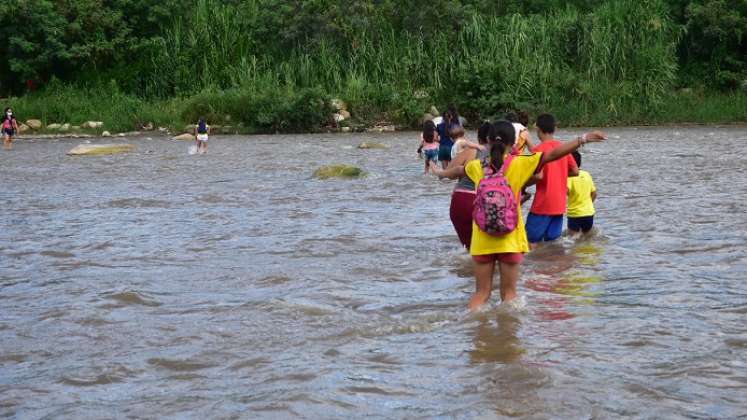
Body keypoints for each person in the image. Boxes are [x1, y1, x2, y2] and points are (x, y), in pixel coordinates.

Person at [431, 121, 606, 310]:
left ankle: (474, 331)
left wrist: (439, 172)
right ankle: (507, 336)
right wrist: (583, 139)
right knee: (509, 295)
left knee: (481, 294)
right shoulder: (520, 163)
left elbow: (457, 171)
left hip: (482, 240)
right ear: (513, 143)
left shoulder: (476, 166)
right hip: (510, 240)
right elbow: (553, 154)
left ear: (488, 141)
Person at [525, 113, 579, 245]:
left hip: (543, 204)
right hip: (559, 204)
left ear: (538, 129)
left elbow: (537, 175)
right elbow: (575, 171)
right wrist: (558, 174)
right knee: (552, 245)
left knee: (528, 242)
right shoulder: (563, 148)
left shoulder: (538, 150)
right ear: (554, 128)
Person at [444, 122, 493, 249]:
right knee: (490, 248)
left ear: (479, 138)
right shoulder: (507, 154)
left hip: (464, 200)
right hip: (493, 201)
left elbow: (448, 173)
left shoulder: (471, 151)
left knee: (470, 249)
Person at [566, 151, 597, 237]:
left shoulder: (568, 177)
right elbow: (594, 193)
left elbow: (565, 192)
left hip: (575, 213)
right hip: (589, 213)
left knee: (573, 239)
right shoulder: (587, 174)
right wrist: (587, 204)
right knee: (587, 237)